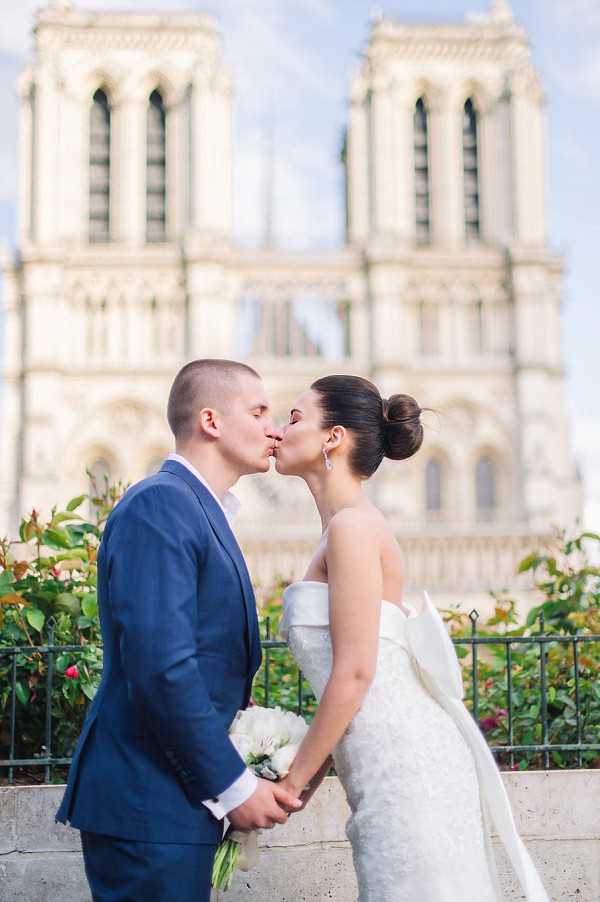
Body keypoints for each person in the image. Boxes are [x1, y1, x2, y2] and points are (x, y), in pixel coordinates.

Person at [274, 374, 550, 902]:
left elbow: (356, 674)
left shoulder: (353, 528)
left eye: (293, 418)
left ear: (332, 437)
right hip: (385, 761)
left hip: (404, 768)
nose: (278, 430)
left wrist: (289, 785)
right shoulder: (348, 525)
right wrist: (305, 774)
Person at [56, 359, 301, 902]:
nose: (275, 428)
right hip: (148, 803)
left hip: (171, 802)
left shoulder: (197, 508)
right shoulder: (162, 504)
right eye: (259, 411)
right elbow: (161, 666)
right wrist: (233, 787)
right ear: (211, 421)